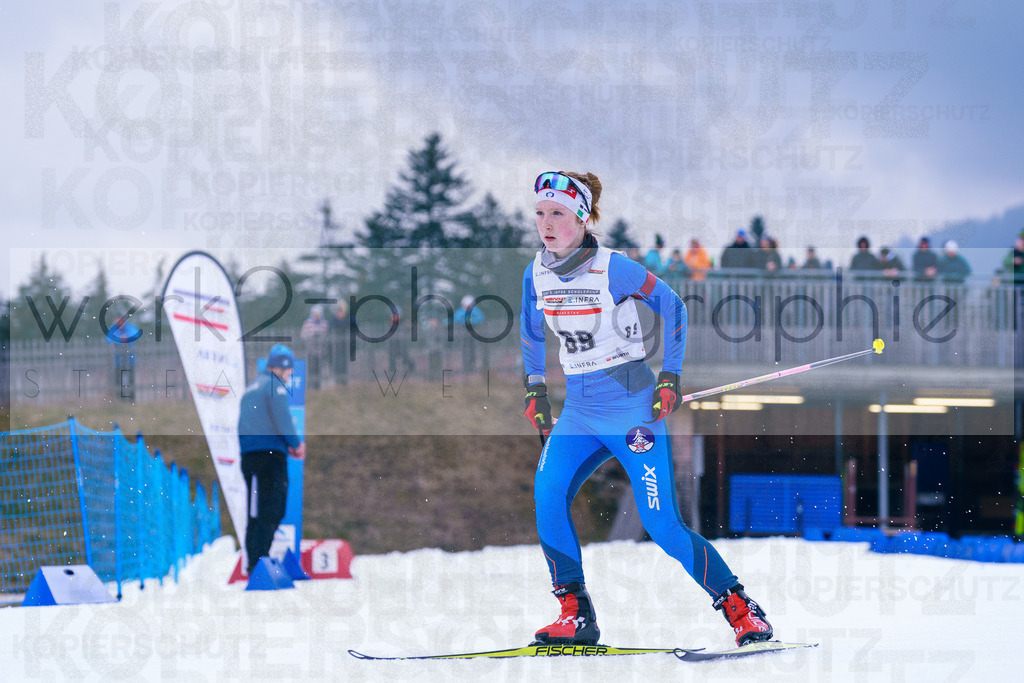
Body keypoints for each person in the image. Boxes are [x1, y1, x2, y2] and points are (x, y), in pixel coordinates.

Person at [521, 170, 773, 648]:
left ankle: (741, 608)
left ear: (582, 217)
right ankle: (575, 614)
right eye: (539, 213)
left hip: (632, 409)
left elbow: (673, 306)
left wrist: (670, 377)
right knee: (547, 495)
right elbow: (531, 332)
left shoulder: (614, 267)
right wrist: (535, 390)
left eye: (557, 213)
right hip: (579, 410)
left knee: (662, 527)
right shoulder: (535, 272)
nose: (546, 223)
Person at [237, 344, 305, 574]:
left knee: (255, 511)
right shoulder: (275, 385)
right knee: (273, 508)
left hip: (249, 456)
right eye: (290, 369)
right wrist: (296, 444)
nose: (291, 374)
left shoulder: (252, 386)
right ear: (284, 367)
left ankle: (253, 562)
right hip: (270, 456)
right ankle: (260, 561)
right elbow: (283, 418)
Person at [453, 294, 485, 372]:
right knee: (464, 350)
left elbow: (481, 318)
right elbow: (456, 318)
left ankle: (472, 365)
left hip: (473, 333)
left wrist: (471, 321)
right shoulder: (460, 312)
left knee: (472, 350)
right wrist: (465, 322)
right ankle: (465, 365)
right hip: (463, 334)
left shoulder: (475, 311)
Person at [300, 305, 329, 389]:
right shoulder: (307, 323)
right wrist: (311, 336)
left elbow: (327, 335)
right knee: (311, 369)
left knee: (318, 369)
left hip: (321, 351)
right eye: (314, 313)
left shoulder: (324, 323)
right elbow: (303, 335)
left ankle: (317, 386)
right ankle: (310, 385)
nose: (316, 315)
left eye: (317, 314)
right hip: (311, 350)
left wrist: (321, 338)